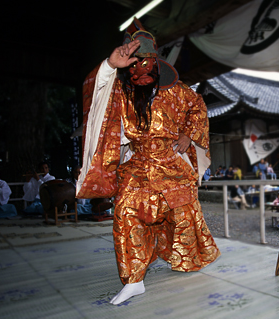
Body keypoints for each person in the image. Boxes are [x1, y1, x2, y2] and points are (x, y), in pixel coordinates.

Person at [76, 19, 220, 305]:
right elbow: (95, 90)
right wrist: (109, 64)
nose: (138, 71)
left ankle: (188, 258)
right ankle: (134, 280)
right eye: (132, 66)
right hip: (138, 166)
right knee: (125, 215)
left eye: (144, 64)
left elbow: (198, 107)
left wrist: (188, 136)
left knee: (183, 218)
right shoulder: (122, 94)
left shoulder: (177, 92)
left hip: (173, 164)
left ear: (155, 64)